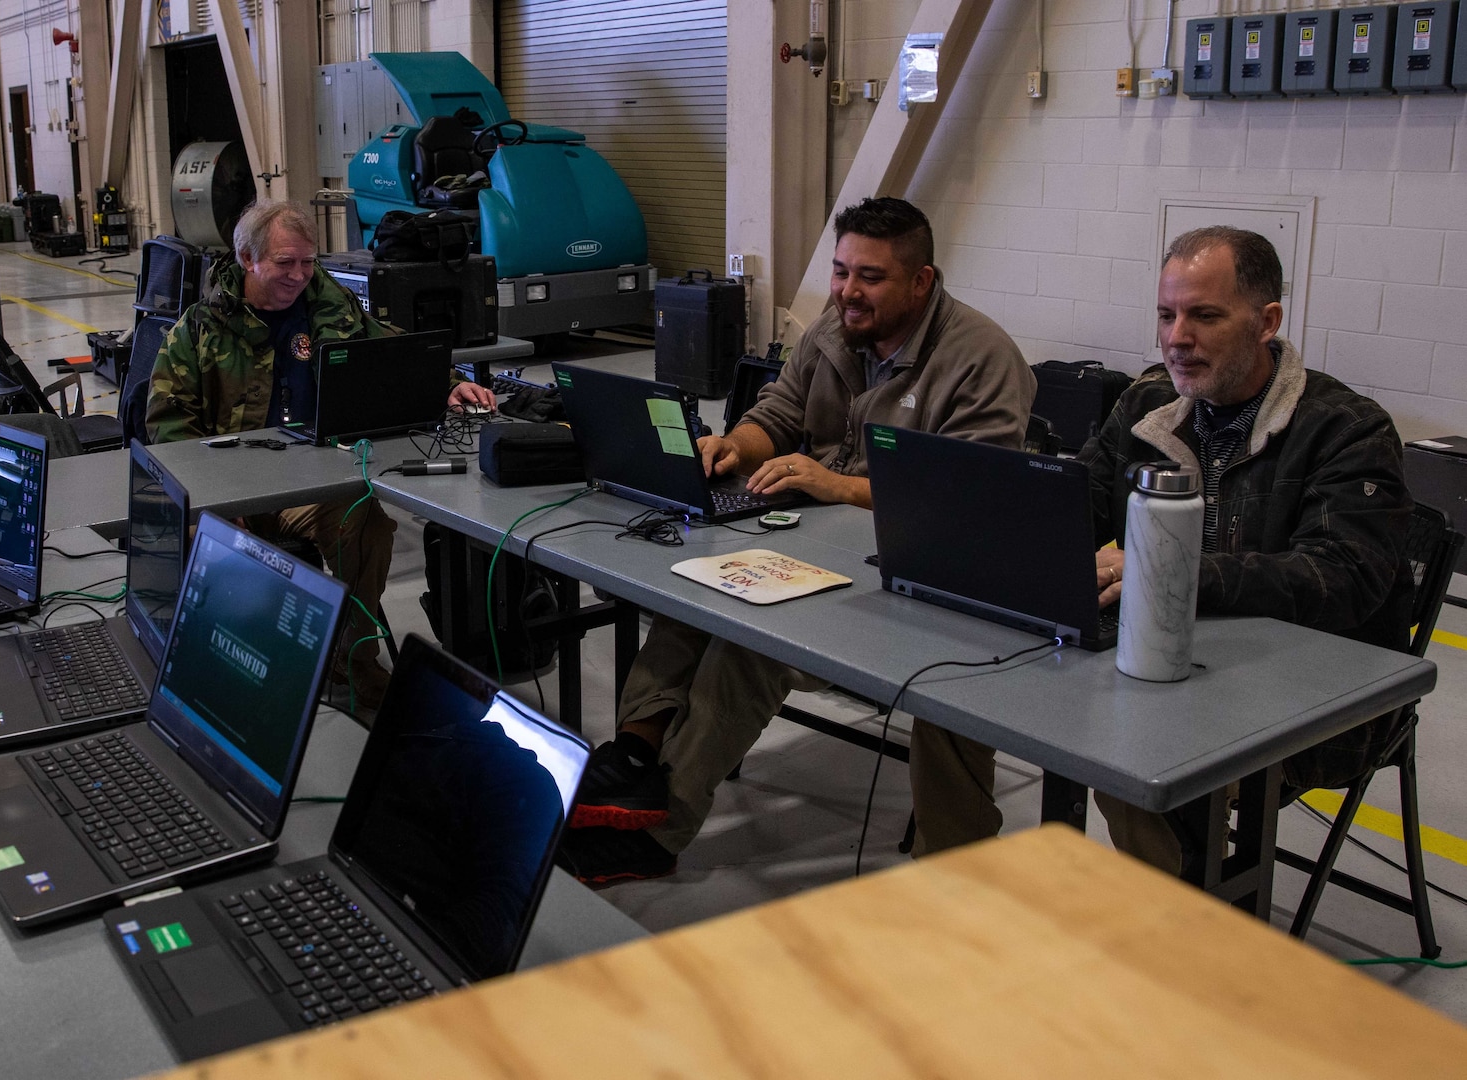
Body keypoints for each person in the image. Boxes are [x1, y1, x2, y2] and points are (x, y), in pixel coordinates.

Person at [558, 196, 1036, 884]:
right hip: (809, 549)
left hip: (901, 588)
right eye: (841, 272)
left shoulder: (980, 359)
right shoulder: (833, 333)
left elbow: (973, 501)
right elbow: (778, 415)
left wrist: (838, 486)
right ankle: (635, 755)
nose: (847, 291)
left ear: (921, 282)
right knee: (694, 584)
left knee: (746, 643)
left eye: (869, 277)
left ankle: (657, 832)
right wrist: (733, 445)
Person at [909, 225, 1413, 873]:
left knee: (1129, 755)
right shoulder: (1147, 405)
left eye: (1205, 316)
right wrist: (977, 527)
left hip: (1294, 692)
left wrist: (1168, 576)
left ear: (1267, 321)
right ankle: (949, 886)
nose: (1178, 337)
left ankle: (1176, 938)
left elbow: (1343, 579)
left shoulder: (1345, 430)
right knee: (954, 693)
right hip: (1151, 660)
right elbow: (1073, 514)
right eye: (1166, 315)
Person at [146, 199, 494, 713]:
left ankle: (351, 658)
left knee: (367, 526)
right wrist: (212, 499)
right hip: (227, 488)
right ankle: (242, 674)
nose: (299, 275)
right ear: (247, 258)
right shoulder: (200, 329)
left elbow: (394, 354)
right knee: (229, 551)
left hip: (308, 487)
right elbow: (166, 423)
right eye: (285, 263)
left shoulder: (331, 311)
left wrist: (447, 384)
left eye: (308, 262)